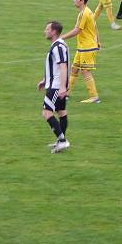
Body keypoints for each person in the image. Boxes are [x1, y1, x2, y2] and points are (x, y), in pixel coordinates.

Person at [61, 0, 100, 104]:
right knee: (74, 69)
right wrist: (98, 40)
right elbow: (95, 26)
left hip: (87, 47)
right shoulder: (87, 11)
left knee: (85, 71)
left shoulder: (84, 13)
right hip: (83, 46)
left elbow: (77, 30)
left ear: (82, 1)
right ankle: (66, 93)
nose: (74, 0)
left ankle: (94, 97)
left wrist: (62, 38)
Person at [37, 20, 70, 153]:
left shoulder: (58, 46)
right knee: (61, 112)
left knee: (46, 113)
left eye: (47, 29)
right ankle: (60, 140)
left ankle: (62, 141)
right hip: (55, 84)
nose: (45, 31)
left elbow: (63, 66)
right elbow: (55, 67)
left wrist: (62, 87)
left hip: (56, 86)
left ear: (54, 32)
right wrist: (45, 80)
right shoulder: (59, 45)